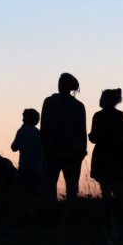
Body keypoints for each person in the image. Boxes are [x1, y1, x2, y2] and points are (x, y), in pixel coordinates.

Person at [40, 73, 87, 201]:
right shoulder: (78, 105)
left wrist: (43, 148)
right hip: (72, 152)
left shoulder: (49, 102)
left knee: (49, 187)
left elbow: (44, 127)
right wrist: (82, 150)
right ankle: (70, 214)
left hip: (51, 151)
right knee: (72, 188)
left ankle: (51, 215)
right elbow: (82, 131)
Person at [88, 89, 123, 218]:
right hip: (119, 155)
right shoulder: (122, 116)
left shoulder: (98, 116)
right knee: (119, 188)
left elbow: (94, 138)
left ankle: (108, 215)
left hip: (102, 155)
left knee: (105, 188)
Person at [11, 108, 44, 199]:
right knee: (37, 195)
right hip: (38, 168)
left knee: (24, 195)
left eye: (24, 118)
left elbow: (14, 147)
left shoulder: (21, 131)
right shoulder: (39, 133)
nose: (22, 120)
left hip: (25, 168)